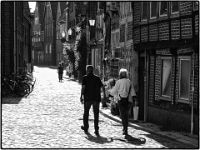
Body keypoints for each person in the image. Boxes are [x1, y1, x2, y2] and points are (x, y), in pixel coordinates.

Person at [110, 68, 137, 135]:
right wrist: (135, 98)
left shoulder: (118, 82)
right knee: (126, 115)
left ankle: (125, 129)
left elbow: (114, 90)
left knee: (123, 115)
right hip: (129, 101)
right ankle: (126, 128)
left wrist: (110, 95)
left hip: (121, 100)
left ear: (120, 75)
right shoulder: (129, 82)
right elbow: (133, 92)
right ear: (126, 74)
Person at [80, 65, 105, 135]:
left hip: (88, 98)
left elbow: (83, 88)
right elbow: (102, 87)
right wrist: (104, 96)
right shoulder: (97, 78)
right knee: (96, 114)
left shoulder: (85, 78)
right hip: (96, 98)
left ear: (87, 70)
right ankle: (96, 129)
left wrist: (81, 96)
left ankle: (86, 127)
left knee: (86, 113)